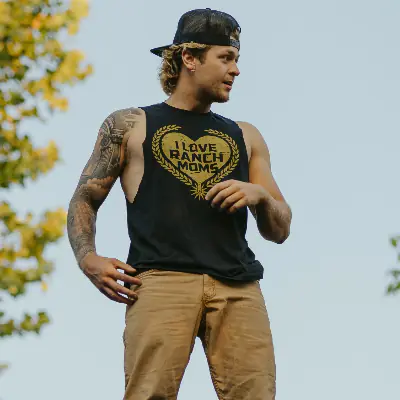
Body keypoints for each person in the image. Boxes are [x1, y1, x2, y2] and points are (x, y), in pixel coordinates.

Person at [67, 8, 292, 400]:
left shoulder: (246, 136)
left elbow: (280, 229)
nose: (236, 70)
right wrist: (88, 258)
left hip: (238, 287)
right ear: (190, 58)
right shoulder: (130, 125)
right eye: (226, 57)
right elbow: (85, 197)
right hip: (160, 281)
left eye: (237, 59)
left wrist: (259, 196)